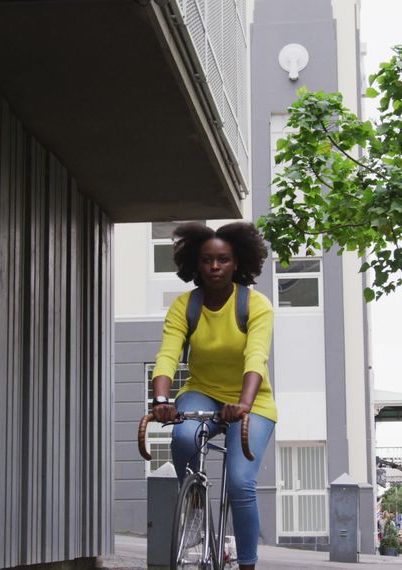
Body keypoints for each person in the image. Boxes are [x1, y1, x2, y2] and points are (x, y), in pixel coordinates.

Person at [150, 221, 276, 570]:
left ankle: (247, 564)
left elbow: (256, 357)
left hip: (252, 400)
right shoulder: (185, 306)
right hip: (202, 392)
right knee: (185, 434)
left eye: (223, 259)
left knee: (239, 483)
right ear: (196, 263)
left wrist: (245, 404)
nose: (215, 267)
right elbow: (167, 355)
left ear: (238, 263)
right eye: (207, 260)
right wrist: (161, 402)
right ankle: (195, 510)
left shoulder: (256, 304)